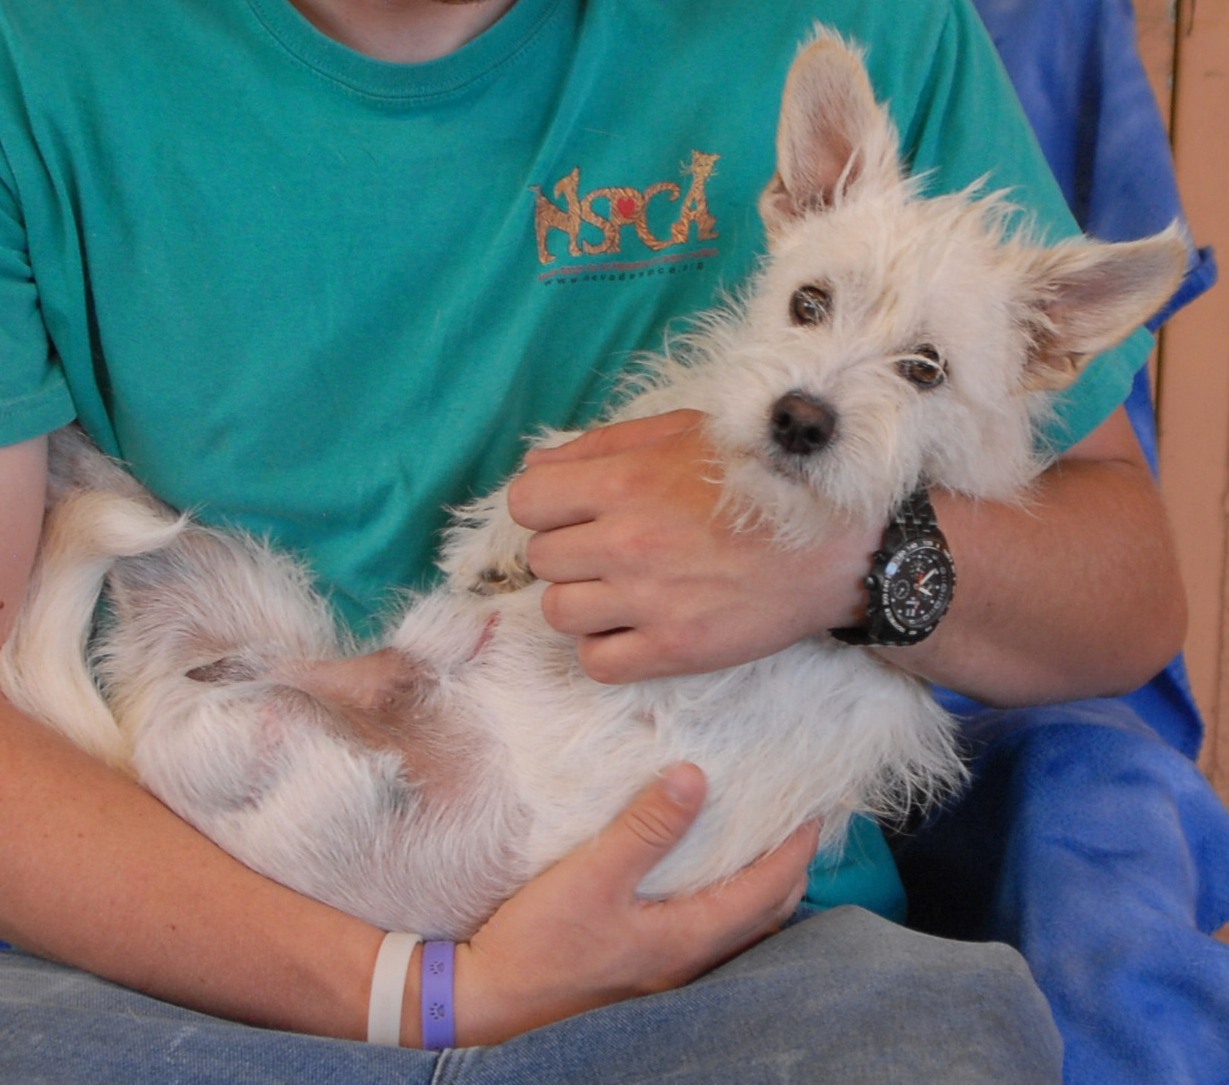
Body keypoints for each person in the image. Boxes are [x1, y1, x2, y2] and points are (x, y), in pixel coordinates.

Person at [0, 0, 1186, 1080]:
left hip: (741, 964)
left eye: (917, 365)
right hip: (197, 922)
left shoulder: (866, 22)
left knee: (938, 1037)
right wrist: (423, 991)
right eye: (816, 311)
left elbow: (1128, 595)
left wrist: (847, 564)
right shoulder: (39, 56)